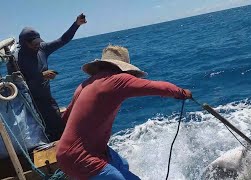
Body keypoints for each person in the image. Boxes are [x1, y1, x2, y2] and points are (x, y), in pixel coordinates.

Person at [56, 45, 192, 180]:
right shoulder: (117, 80)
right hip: (81, 157)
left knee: (122, 164)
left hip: (70, 153)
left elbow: (66, 118)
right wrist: (181, 93)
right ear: (122, 67)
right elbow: (159, 87)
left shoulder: (84, 85)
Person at [17, 14, 87, 141]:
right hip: (32, 103)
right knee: (48, 132)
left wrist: (76, 24)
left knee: (59, 126)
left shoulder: (42, 49)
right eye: (33, 44)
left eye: (38, 42)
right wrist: (41, 76)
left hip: (47, 98)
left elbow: (62, 40)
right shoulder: (17, 59)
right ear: (24, 43)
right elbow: (19, 86)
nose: (37, 45)